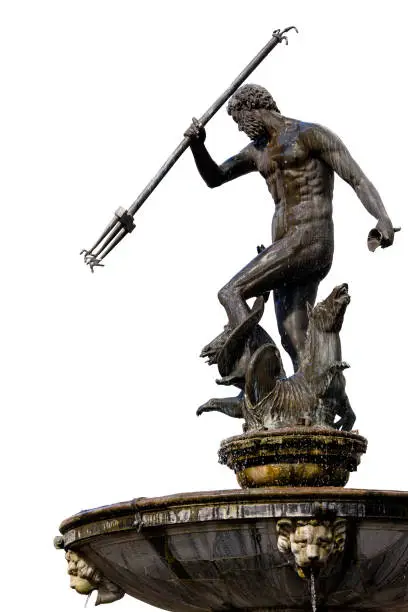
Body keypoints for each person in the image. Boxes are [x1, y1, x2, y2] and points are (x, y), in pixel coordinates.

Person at [185, 84, 395, 371]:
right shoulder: (257, 151)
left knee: (230, 293)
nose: (239, 129)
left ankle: (257, 370)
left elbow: (356, 178)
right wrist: (198, 146)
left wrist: (381, 217)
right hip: (285, 248)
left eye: (238, 120)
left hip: (309, 238)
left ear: (252, 109)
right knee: (293, 336)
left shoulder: (310, 135)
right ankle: (311, 395)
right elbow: (215, 177)